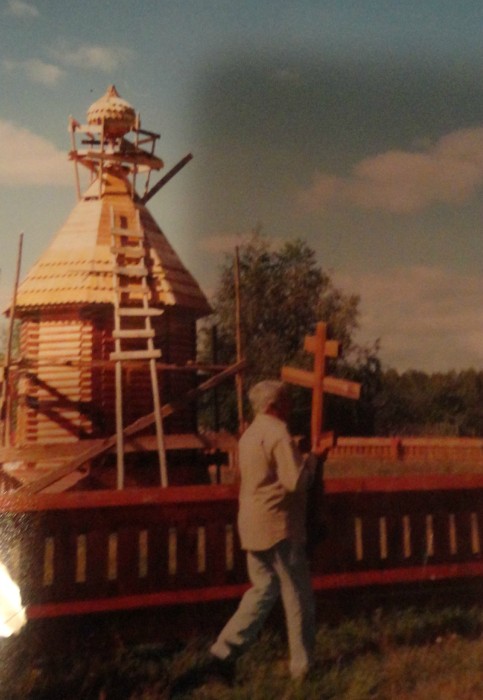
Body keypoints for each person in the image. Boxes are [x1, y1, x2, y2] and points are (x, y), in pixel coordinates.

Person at [209, 379, 321, 680]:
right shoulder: (278, 433)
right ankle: (303, 669)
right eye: (286, 401)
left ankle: (223, 651)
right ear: (274, 406)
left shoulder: (249, 434)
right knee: (297, 596)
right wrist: (313, 461)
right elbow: (295, 482)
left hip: (252, 525)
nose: (290, 406)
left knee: (263, 590)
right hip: (278, 527)